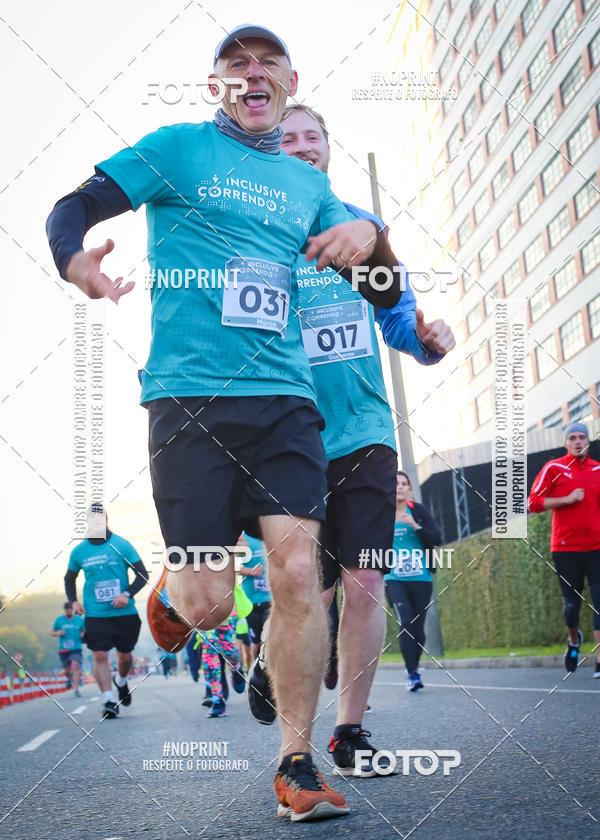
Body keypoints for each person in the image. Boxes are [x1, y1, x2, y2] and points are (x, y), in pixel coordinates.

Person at [46, 25, 402, 820]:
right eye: (236, 64)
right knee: (210, 601)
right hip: (190, 401)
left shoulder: (307, 189)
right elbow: (77, 203)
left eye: (266, 63)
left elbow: (382, 292)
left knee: (299, 573)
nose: (252, 74)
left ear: (287, 81)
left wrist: (373, 240)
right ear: (218, 86)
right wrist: (74, 259)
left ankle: (297, 766)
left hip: (285, 403)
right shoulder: (176, 149)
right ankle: (173, 601)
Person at [247, 104, 453, 776]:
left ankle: (350, 734)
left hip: (365, 430)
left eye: (314, 137)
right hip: (291, 434)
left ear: (328, 149)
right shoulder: (258, 232)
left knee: (365, 579)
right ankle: (276, 668)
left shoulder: (360, 232)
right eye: (289, 138)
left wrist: (425, 341)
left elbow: (397, 321)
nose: (303, 146)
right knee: (304, 587)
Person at [528, 422, 600, 676]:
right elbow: (533, 502)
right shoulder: (554, 468)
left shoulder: (598, 470)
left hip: (597, 548)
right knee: (572, 604)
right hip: (566, 548)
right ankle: (573, 641)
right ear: (566, 442)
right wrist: (566, 499)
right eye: (573, 437)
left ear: (588, 441)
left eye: (582, 437)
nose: (578, 441)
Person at [65, 503, 148, 719]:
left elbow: (142, 574)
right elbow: (69, 578)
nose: (96, 522)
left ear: (106, 520)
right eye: (92, 519)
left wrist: (126, 594)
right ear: (88, 522)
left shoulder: (122, 545)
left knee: (126, 657)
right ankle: (109, 701)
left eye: (100, 519)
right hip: (95, 614)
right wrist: (73, 601)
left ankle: (120, 681)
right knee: (99, 655)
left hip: (124, 612)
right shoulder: (79, 551)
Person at [384, 471, 442, 691]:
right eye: (395, 483)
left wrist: (417, 526)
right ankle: (412, 673)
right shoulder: (382, 514)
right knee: (406, 621)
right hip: (394, 577)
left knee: (418, 627)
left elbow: (436, 538)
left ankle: (414, 667)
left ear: (409, 488)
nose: (399, 487)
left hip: (421, 577)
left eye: (403, 483)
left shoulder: (418, 511)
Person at [238, 532, 271, 659]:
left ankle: (269, 672)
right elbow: (227, 565)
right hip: (251, 601)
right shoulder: (242, 539)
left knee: (269, 637)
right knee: (256, 642)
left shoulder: (271, 534)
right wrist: (250, 571)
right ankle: (254, 672)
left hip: (271, 600)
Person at [51, 602, 84, 696]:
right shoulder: (59, 620)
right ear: (65, 610)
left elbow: (84, 630)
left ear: (72, 610)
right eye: (67, 610)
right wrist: (58, 633)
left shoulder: (79, 620)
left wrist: (82, 635)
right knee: (67, 671)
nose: (68, 612)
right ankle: (71, 680)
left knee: (75, 664)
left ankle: (76, 689)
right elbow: (52, 632)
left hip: (76, 647)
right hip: (63, 648)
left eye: (70, 610)